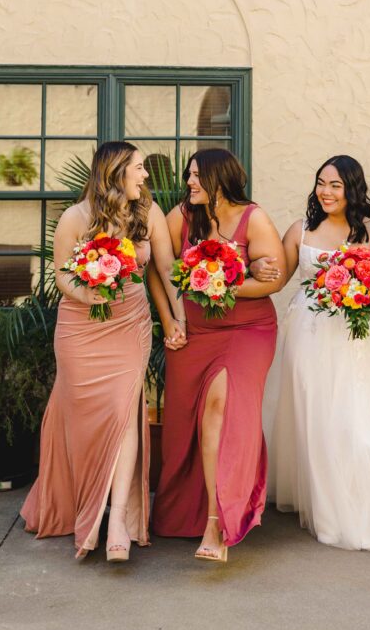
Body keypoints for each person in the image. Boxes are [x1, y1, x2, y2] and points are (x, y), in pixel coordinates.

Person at [21, 142, 186, 560]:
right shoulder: (76, 218)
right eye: (139, 168)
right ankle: (88, 508)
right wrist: (87, 293)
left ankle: (117, 522)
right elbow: (61, 275)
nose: (145, 175)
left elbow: (166, 270)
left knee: (124, 412)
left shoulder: (147, 214)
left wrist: (179, 319)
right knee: (87, 420)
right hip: (81, 330)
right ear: (115, 172)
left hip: (129, 326)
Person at [253, 155, 370, 550]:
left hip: (357, 341)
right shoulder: (300, 231)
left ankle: (364, 508)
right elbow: (274, 281)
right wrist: (243, 270)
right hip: (307, 336)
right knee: (318, 420)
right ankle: (326, 508)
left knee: (357, 421)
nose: (325, 191)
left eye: (335, 185)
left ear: (352, 188)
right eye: (321, 182)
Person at [150, 149, 285, 562]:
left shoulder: (254, 218)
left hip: (247, 330)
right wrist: (171, 320)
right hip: (196, 332)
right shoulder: (182, 217)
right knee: (185, 424)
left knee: (220, 409)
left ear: (220, 180)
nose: (189, 183)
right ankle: (188, 513)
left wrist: (219, 281)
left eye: (196, 176)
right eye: (190, 176)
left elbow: (272, 283)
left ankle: (217, 521)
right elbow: (159, 269)